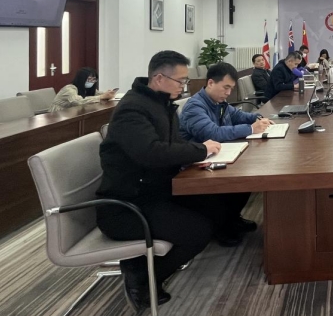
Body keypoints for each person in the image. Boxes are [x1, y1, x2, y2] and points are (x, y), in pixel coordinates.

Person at [96, 51, 246, 310]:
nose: (184, 86)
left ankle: (144, 265)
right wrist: (200, 149)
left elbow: (174, 145)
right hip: (127, 206)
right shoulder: (132, 109)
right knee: (198, 231)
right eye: (180, 81)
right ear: (158, 78)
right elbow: (151, 152)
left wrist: (198, 155)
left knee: (216, 206)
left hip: (156, 191)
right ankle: (143, 276)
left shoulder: (161, 104)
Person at [180, 62, 273, 143]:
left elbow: (239, 115)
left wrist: (258, 118)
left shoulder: (219, 102)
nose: (228, 93)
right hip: (202, 157)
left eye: (231, 89)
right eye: (226, 87)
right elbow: (212, 134)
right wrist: (251, 129)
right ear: (210, 83)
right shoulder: (194, 106)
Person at [49, 67, 117, 112]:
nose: (92, 81)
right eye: (89, 79)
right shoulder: (69, 89)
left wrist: (108, 94)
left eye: (94, 79)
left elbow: (97, 94)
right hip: (58, 115)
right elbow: (78, 101)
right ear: (81, 79)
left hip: (72, 113)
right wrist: (101, 97)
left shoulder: (86, 88)